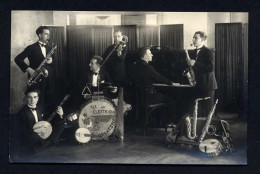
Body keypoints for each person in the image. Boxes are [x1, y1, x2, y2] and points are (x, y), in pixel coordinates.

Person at [130, 46, 180, 126]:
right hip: (149, 97)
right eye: (150, 53)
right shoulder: (148, 67)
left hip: (139, 98)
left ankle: (156, 122)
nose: (152, 55)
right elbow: (159, 77)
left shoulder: (134, 67)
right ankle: (169, 122)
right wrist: (172, 83)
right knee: (172, 100)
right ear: (144, 56)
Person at [14, 26, 55, 110]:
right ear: (40, 35)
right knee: (36, 103)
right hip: (35, 80)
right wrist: (29, 69)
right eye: (46, 34)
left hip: (48, 80)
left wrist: (51, 61)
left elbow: (55, 64)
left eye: (49, 34)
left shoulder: (50, 48)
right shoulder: (31, 48)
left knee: (48, 103)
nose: (48, 36)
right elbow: (17, 59)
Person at [17, 88, 65, 154]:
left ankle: (45, 144)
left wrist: (61, 114)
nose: (32, 100)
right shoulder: (22, 112)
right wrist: (37, 131)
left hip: (43, 132)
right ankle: (47, 143)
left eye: (35, 97)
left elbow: (50, 119)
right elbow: (22, 130)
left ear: (38, 98)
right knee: (32, 136)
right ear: (26, 98)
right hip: (33, 135)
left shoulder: (40, 108)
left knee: (61, 123)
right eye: (30, 97)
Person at [186, 31, 218, 117]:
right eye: (193, 37)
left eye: (195, 38)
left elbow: (211, 68)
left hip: (207, 85)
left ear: (203, 40)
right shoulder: (192, 52)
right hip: (198, 85)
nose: (193, 39)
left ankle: (208, 130)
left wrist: (195, 63)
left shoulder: (208, 52)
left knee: (208, 111)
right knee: (197, 111)